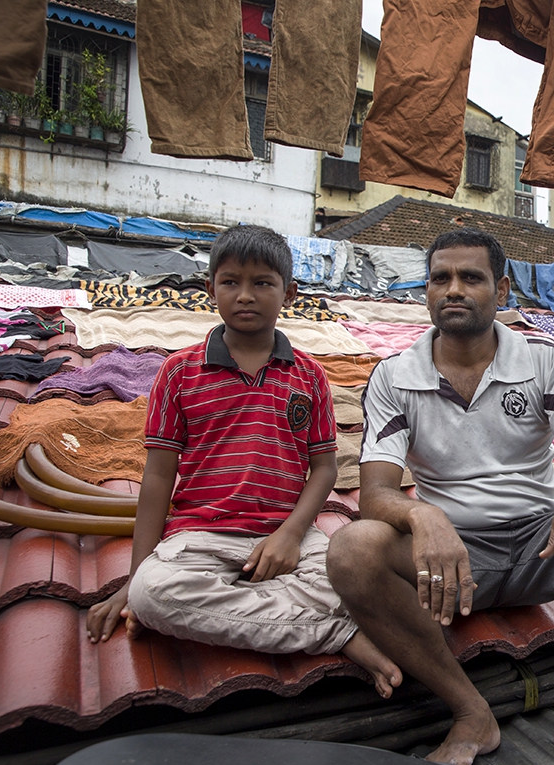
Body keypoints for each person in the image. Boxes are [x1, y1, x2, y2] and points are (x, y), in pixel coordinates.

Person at [327, 228, 554, 765]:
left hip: (541, 551)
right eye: (441, 278)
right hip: (453, 568)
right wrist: (424, 517)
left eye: (471, 278)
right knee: (351, 549)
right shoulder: (394, 376)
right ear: (426, 292)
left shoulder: (540, 360)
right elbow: (376, 494)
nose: (454, 289)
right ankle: (470, 711)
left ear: (501, 289)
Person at [85, 225, 400, 698]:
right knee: (154, 594)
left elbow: (325, 469)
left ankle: (261, 616)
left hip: (289, 534)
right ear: (210, 288)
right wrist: (131, 582)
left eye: (262, 283)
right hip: (200, 534)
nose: (245, 296)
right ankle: (336, 634)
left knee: (360, 581)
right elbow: (156, 479)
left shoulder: (309, 375)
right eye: (230, 282)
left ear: (289, 293)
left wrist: (291, 534)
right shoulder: (178, 372)